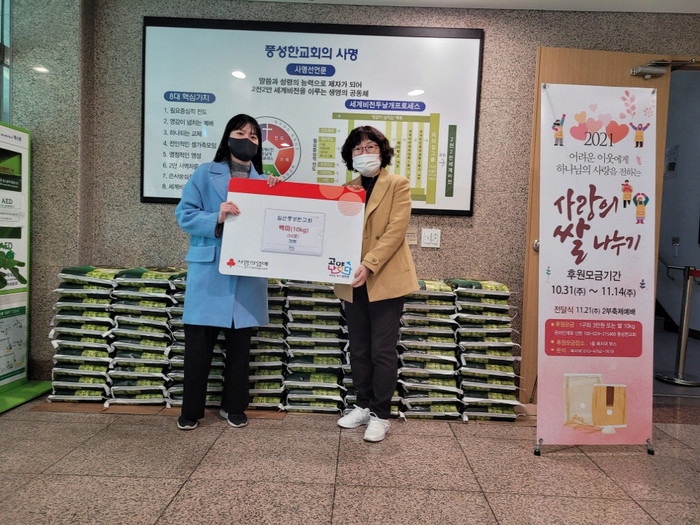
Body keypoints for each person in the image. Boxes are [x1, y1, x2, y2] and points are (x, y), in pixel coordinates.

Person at [175, 114, 279, 430]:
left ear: (259, 145)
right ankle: (190, 411)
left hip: (247, 274)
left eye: (253, 136)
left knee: (239, 348)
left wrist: (278, 194)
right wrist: (216, 216)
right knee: (198, 348)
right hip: (209, 271)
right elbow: (184, 215)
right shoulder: (205, 173)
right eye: (240, 133)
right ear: (228, 137)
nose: (246, 140)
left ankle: (233, 406)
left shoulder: (266, 182)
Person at [334, 126, 419, 442]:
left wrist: (369, 264)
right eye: (357, 149)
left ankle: (381, 415)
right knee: (358, 348)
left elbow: (396, 230)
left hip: (384, 276)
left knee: (382, 349)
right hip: (351, 279)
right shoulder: (346, 189)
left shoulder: (398, 184)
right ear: (350, 156)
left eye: (370, 147)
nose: (364, 153)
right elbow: (336, 230)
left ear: (382, 152)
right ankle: (363, 405)